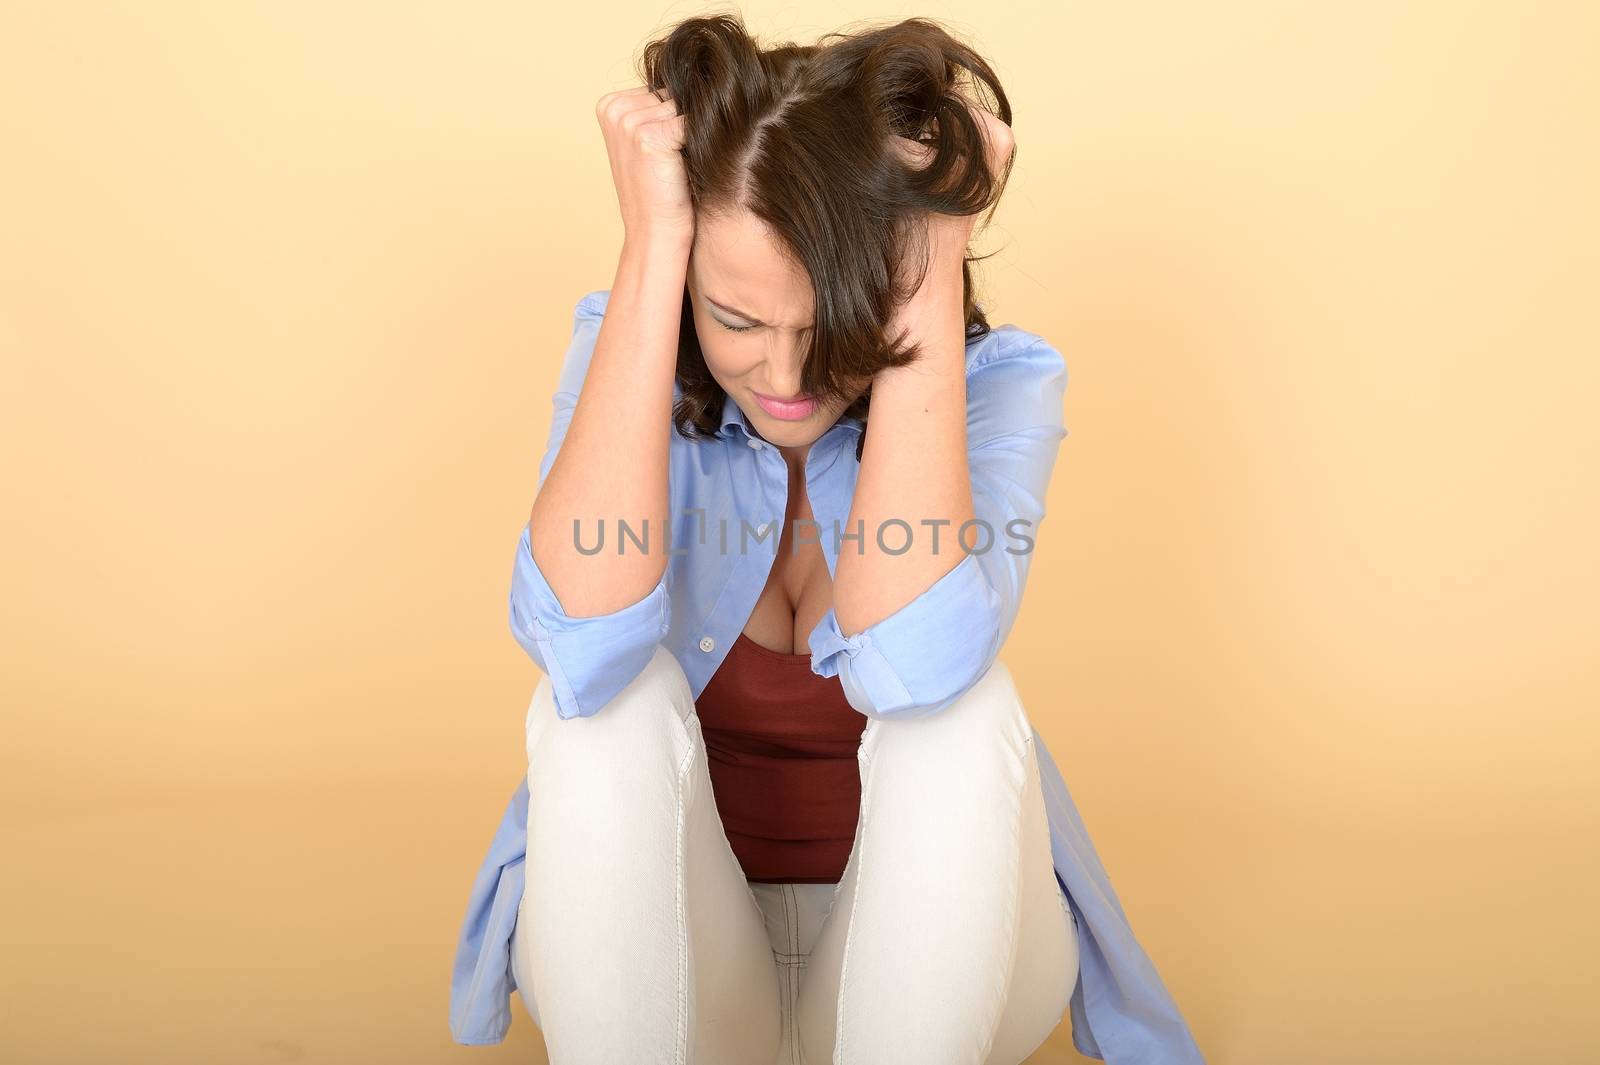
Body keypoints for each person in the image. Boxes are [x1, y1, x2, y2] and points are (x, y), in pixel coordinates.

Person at [450, 14, 1206, 1065]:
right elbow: (574, 648)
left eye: (834, 322)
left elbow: (917, 664)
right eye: (738, 321)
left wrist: (930, 255)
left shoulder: (1001, 384)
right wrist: (654, 245)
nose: (788, 380)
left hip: (929, 967)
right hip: (670, 963)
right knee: (598, 710)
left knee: (964, 702)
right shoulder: (633, 348)